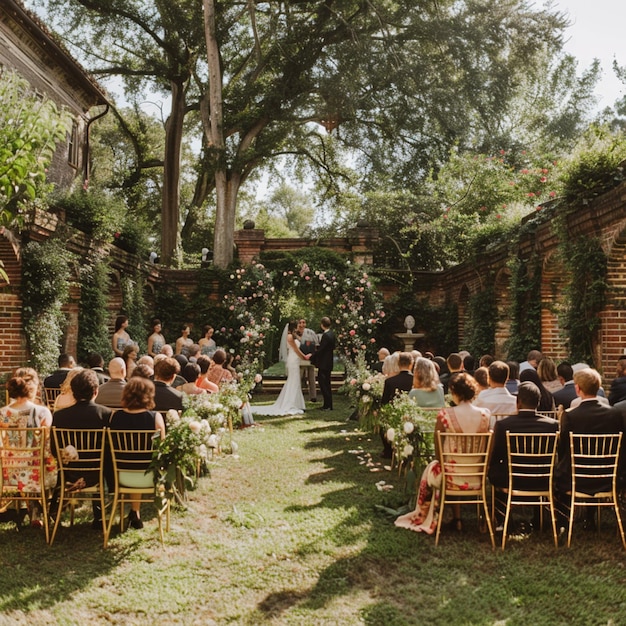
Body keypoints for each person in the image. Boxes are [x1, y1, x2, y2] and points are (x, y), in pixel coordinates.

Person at [394, 372, 492, 534]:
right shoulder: (485, 415)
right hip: (478, 475)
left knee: (432, 467)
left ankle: (455, 518)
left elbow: (438, 447)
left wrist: (441, 462)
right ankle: (471, 518)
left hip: (450, 477)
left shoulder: (445, 414)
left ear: (455, 392)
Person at [555, 367, 624, 532]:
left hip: (576, 478)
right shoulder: (614, 414)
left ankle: (563, 521)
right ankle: (589, 517)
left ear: (578, 389)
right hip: (608, 477)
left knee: (558, 473)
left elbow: (563, 449)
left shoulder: (570, 415)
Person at [488, 381, 558, 529]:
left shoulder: (503, 425)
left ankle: (502, 520)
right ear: (538, 403)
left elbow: (497, 456)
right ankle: (540, 518)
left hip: (512, 479)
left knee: (495, 471)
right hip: (543, 478)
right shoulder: (552, 425)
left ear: (518, 402)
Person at [51, 369, 113, 528]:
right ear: (96, 391)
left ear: (73, 392)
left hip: (68, 470)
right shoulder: (105, 414)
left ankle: (54, 510)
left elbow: (54, 448)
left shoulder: (59, 416)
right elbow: (110, 448)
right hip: (96, 471)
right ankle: (100, 515)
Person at [0, 367, 56, 527]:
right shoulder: (42, 412)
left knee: (23, 466)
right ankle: (39, 510)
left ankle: (32, 510)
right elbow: (47, 442)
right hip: (37, 469)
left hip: (9, 471)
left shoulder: (3, 413)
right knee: (45, 463)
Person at [109, 377, 166, 530]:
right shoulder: (155, 418)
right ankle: (135, 513)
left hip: (121, 475)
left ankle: (135, 513)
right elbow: (162, 448)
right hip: (149, 476)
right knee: (141, 463)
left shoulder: (115, 417)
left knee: (133, 462)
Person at [252, 321, 311, 416]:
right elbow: (296, 350)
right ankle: (291, 403)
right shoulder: (290, 337)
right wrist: (305, 357)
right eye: (297, 326)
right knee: (294, 381)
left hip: (295, 360)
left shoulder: (293, 336)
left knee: (295, 381)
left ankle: (297, 403)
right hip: (293, 360)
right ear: (294, 327)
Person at [380, 352, 415, 458]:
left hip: (394, 414)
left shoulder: (390, 381)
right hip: (412, 414)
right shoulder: (416, 380)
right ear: (411, 364)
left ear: (398, 364)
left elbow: (384, 402)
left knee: (383, 423)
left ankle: (388, 451)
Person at [311, 317, 336, 411]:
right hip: (329, 362)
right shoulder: (332, 334)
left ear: (322, 325)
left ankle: (327, 405)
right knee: (327, 384)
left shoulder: (325, 335)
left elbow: (321, 349)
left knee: (323, 383)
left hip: (324, 363)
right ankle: (329, 404)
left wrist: (312, 355)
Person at [297, 318, 319, 402]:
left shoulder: (311, 332)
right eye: (300, 322)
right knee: (298, 377)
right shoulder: (294, 333)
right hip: (299, 359)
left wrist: (312, 354)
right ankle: (298, 396)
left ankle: (313, 396)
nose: (302, 325)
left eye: (304, 322)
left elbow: (316, 344)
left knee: (311, 377)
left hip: (310, 358)